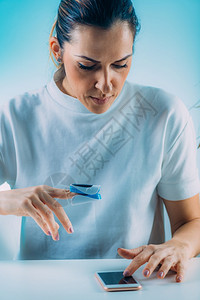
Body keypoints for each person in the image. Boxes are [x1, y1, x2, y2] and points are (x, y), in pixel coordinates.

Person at [0, 0, 199, 283]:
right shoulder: (15, 116)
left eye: (121, 64)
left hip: (134, 285)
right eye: (87, 65)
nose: (106, 84)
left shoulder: (163, 114)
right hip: (41, 287)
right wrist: (5, 200)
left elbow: (191, 222)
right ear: (57, 51)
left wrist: (181, 245)